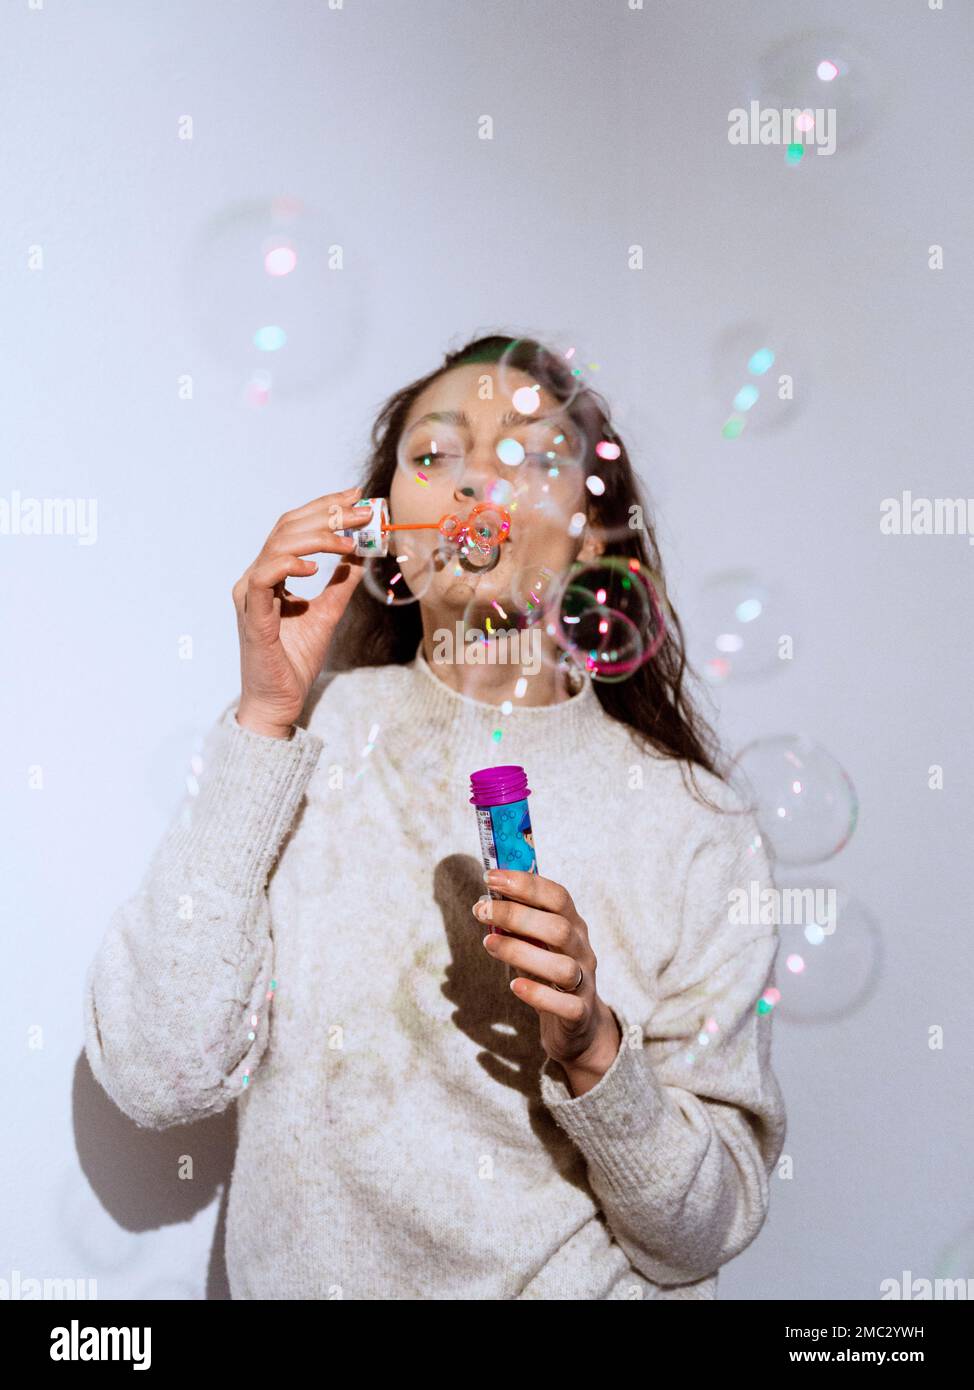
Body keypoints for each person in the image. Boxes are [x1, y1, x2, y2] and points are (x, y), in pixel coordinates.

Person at [83, 333, 787, 1300]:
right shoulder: (296, 747)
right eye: (435, 455)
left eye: (533, 454)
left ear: (590, 538)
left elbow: (696, 1237)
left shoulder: (694, 823)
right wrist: (265, 717)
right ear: (390, 541)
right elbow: (159, 1080)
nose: (478, 484)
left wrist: (593, 1053)